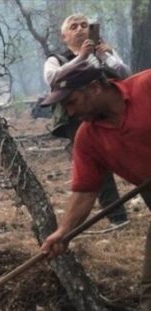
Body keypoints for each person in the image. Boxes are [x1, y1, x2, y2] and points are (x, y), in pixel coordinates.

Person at [38, 62, 151, 311]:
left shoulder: (146, 87)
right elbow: (86, 190)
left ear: (95, 88)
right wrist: (63, 232)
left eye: (72, 102)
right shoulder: (88, 138)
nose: (70, 112)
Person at [44, 13, 131, 230]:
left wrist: (108, 56)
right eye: (74, 26)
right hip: (78, 119)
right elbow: (53, 78)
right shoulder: (56, 59)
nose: (81, 29)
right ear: (64, 36)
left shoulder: (103, 51)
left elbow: (125, 75)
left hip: (111, 114)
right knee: (96, 165)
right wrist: (81, 58)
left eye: (84, 25)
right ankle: (117, 216)